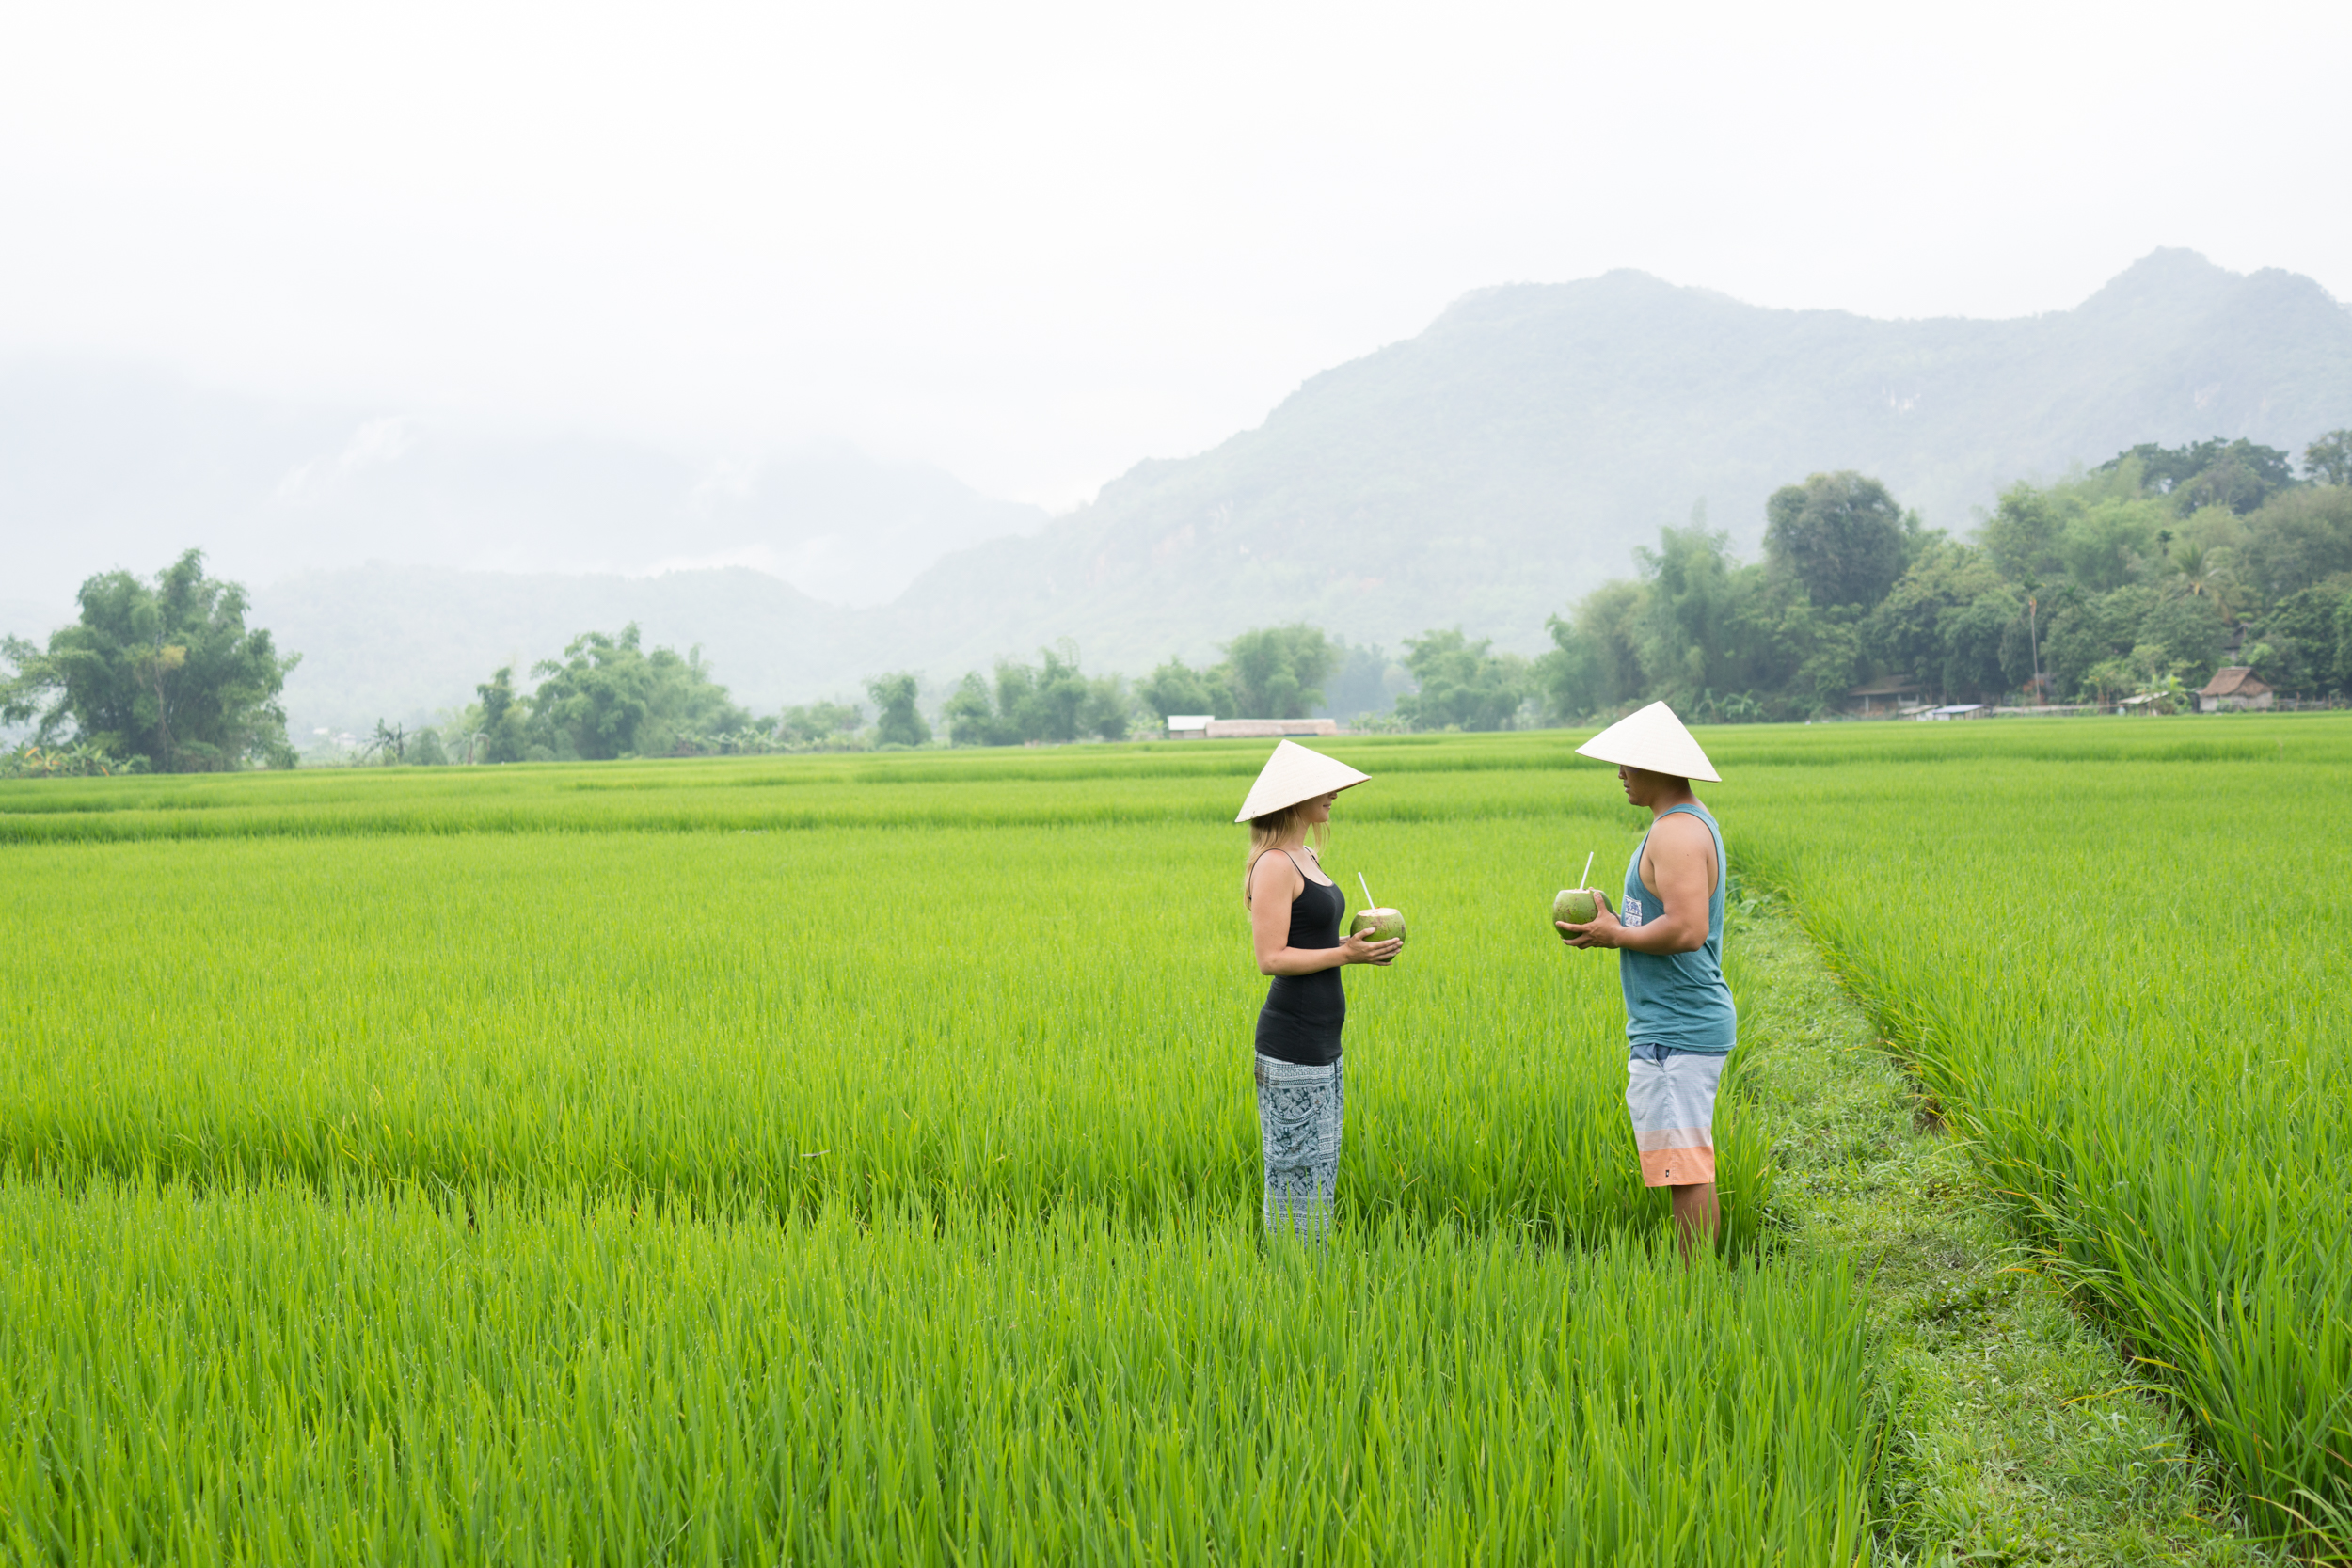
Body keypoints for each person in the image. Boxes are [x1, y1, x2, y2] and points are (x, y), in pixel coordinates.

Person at [1555, 702, 1736, 1259]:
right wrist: (1617, 919)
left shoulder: (1677, 832)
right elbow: (1664, 916)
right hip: (1673, 1021)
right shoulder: (1676, 825)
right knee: (1682, 1163)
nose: (1619, 773)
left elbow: (1685, 929)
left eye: (1627, 762)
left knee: (1685, 1168)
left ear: (1659, 766)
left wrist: (1615, 936)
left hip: (1679, 1023)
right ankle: (1696, 1281)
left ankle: (1695, 1287)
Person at [1235, 740, 1402, 1242]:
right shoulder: (1273, 865)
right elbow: (1272, 958)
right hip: (1292, 1043)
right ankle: (1288, 1284)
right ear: (1293, 798)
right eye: (1322, 788)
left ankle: (1311, 1280)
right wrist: (1345, 954)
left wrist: (1352, 945)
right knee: (1293, 1174)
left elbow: (1311, 939)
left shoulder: (1305, 854)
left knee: (1319, 1172)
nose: (1333, 795)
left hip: (1325, 1042)